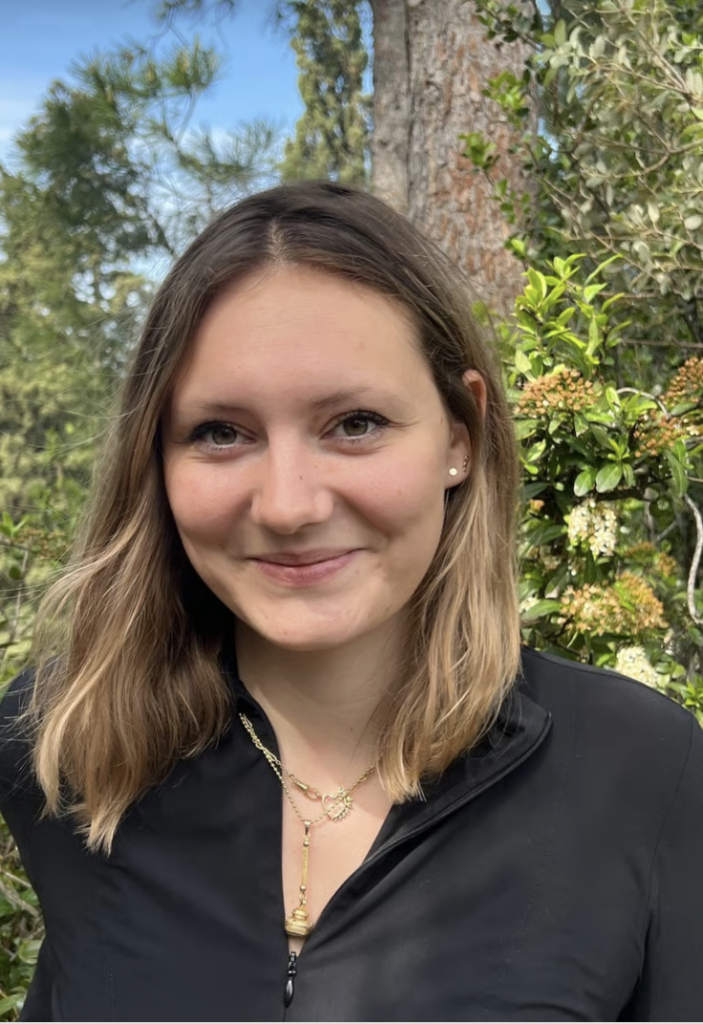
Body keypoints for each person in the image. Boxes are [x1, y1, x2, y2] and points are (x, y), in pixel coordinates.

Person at [0, 181, 701, 1023]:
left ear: (459, 434)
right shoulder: (67, 742)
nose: (287, 505)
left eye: (356, 423)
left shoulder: (641, 770)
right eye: (220, 432)